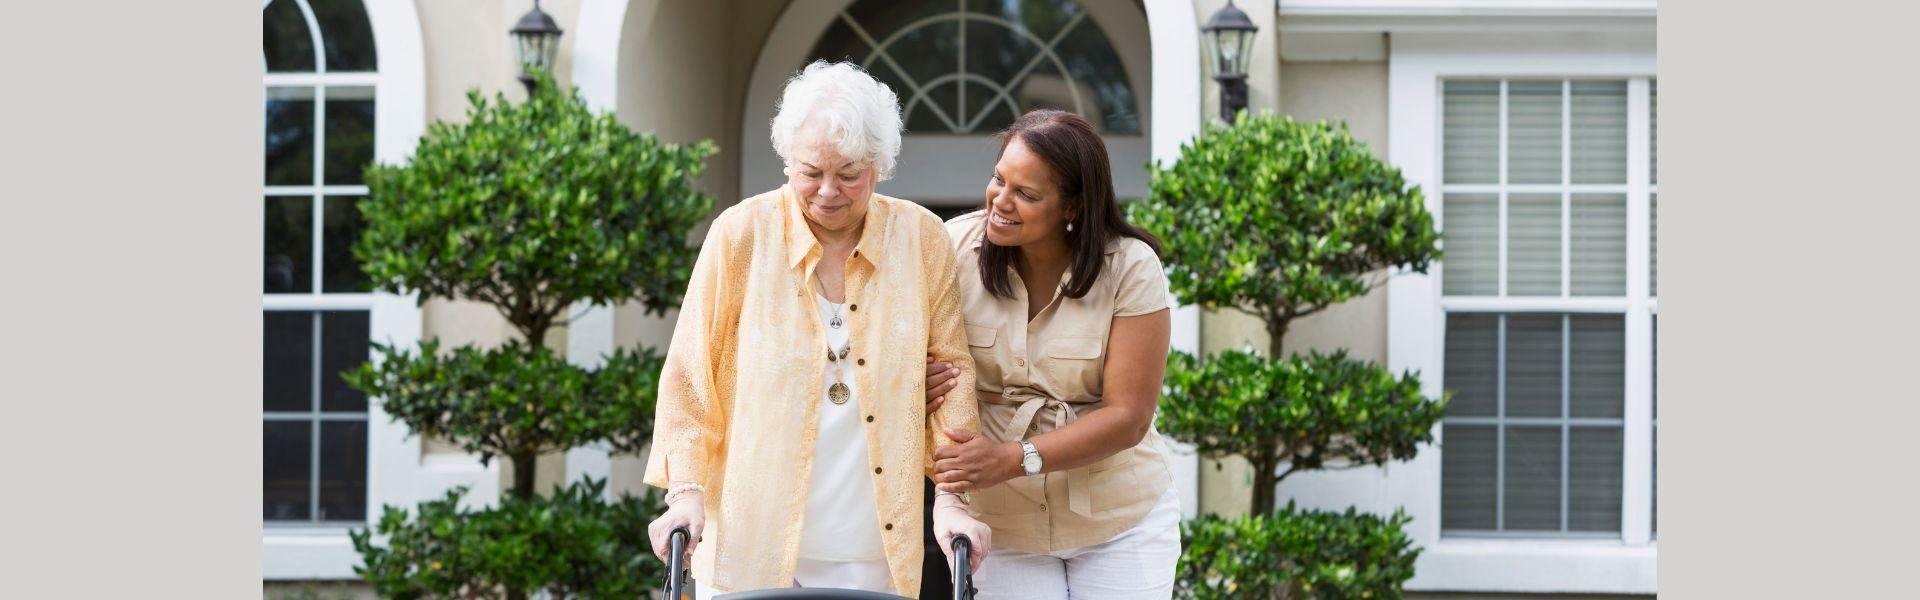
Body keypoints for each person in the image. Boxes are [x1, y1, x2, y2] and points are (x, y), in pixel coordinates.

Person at [642, 60, 991, 598]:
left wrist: (951, 499)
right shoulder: (740, 235)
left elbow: (952, 373)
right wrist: (684, 492)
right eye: (810, 172)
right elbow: (691, 373)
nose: (828, 190)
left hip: (871, 546)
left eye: (849, 174)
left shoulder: (921, 239)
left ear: (878, 165)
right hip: (749, 538)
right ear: (787, 160)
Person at [924, 109, 1179, 599]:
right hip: (1001, 524)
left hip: (1118, 519)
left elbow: (1129, 416)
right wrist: (917, 382)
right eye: (999, 180)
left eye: (1026, 194)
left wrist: (1011, 458)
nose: (1000, 200)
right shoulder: (952, 248)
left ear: (1073, 207)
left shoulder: (1131, 267)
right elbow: (904, 355)